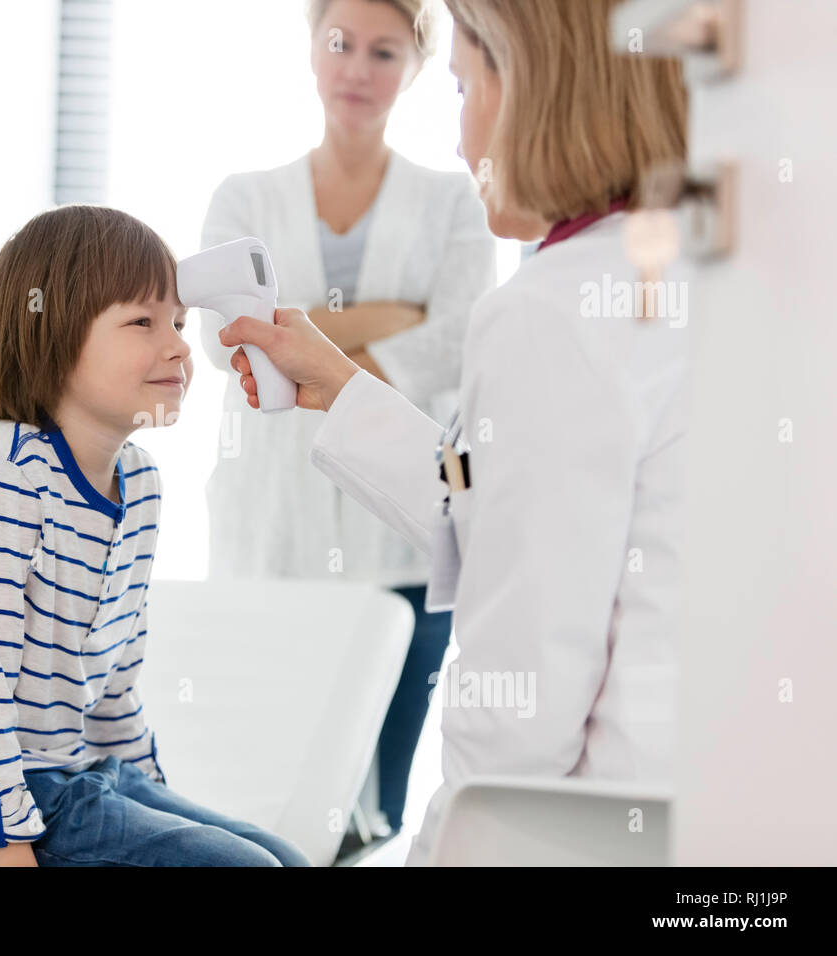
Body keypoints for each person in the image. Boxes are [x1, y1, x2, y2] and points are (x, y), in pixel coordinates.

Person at [216, 0, 689, 865]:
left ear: (530, 89)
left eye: (466, 88)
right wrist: (346, 386)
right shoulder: (679, 270)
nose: (466, 141)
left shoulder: (550, 313)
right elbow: (490, 498)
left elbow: (520, 716)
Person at [0, 205, 310, 867]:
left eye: (177, 320)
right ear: (53, 337)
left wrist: (150, 803)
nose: (178, 345)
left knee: (283, 860)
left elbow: (113, 683)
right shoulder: (2, 480)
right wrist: (4, 849)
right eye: (142, 322)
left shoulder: (140, 486)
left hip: (67, 772)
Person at [196, 0, 495, 840]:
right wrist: (389, 315)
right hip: (273, 540)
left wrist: (308, 337)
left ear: (418, 66)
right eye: (340, 44)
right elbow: (234, 344)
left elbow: (456, 341)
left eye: (384, 51)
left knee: (373, 813)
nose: (358, 69)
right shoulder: (243, 197)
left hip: (401, 543)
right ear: (311, 50)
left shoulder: (454, 203)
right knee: (264, 797)